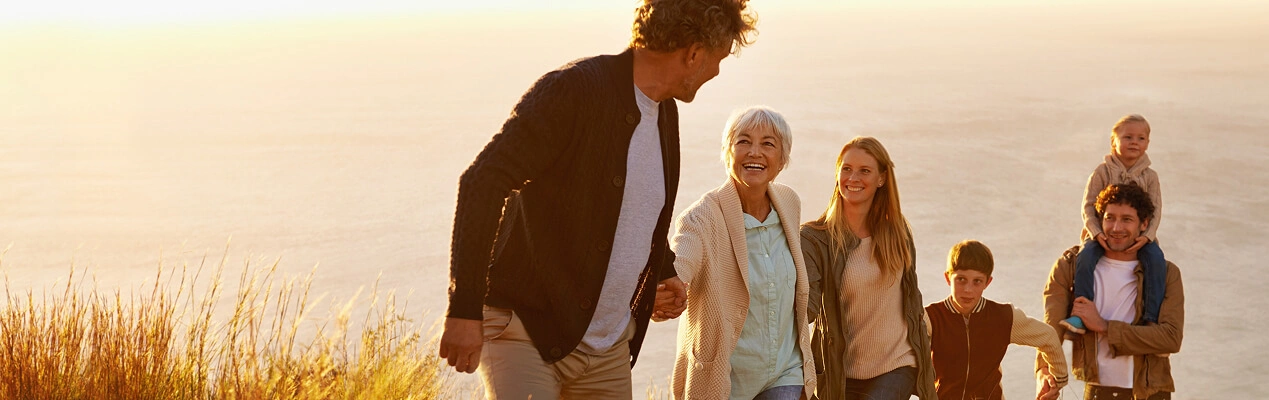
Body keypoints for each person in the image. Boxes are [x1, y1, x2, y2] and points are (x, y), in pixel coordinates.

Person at [437, 1, 758, 398]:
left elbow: (628, 209)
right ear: (693, 54)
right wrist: (464, 309)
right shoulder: (572, 90)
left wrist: (663, 269)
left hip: (606, 347)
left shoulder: (663, 113)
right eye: (718, 59)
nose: (717, 72)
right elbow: (482, 182)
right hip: (526, 332)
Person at [663, 107, 815, 400]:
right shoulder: (701, 218)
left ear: (782, 160)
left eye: (768, 144)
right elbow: (680, 263)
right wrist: (666, 292)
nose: (754, 152)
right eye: (743, 141)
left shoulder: (788, 203)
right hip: (724, 379)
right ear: (727, 152)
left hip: (785, 370)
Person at [800, 136, 936, 400]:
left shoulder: (898, 233)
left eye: (865, 171)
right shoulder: (815, 239)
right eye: (847, 168)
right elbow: (805, 306)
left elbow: (912, 300)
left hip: (897, 365)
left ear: (882, 179)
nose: (853, 178)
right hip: (839, 373)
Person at [1041, 183, 1184, 400]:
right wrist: (1044, 373)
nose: (1116, 228)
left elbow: (1171, 338)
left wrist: (1104, 326)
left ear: (1144, 224)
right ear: (1099, 220)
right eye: (1110, 218)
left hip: (1150, 392)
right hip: (1098, 392)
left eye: (1127, 219)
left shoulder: (1165, 273)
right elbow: (1050, 331)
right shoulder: (1071, 266)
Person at [1062, 114, 1166, 335]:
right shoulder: (1102, 172)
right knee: (1086, 256)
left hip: (1139, 236)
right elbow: (1088, 206)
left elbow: (1156, 211)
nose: (1134, 142)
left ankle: (1151, 319)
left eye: (1141, 138)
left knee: (1156, 260)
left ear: (1148, 143)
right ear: (1113, 141)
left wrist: (1146, 236)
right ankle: (1081, 313)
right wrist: (1096, 232)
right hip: (1101, 234)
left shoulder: (1150, 176)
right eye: (1127, 137)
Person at [925, 240, 1068, 400]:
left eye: (977, 281)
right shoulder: (930, 318)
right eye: (961, 279)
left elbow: (1047, 337)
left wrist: (1057, 379)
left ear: (988, 282)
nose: (968, 289)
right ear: (948, 278)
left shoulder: (1003, 317)